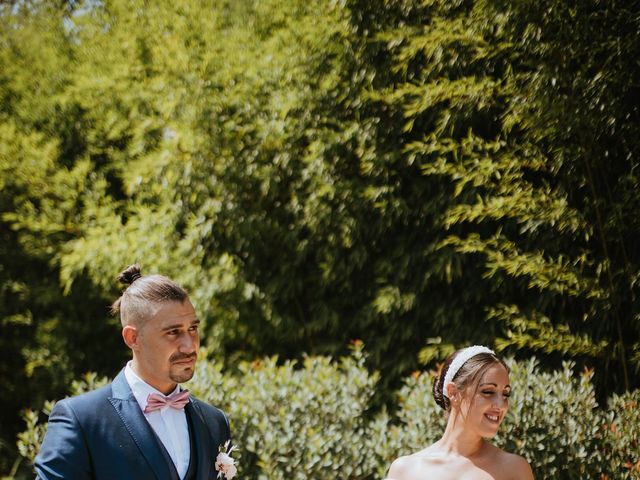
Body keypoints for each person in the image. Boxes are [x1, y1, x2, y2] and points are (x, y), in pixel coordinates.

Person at [35, 265, 231, 480]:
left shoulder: (215, 422)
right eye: (173, 332)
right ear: (133, 338)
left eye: (192, 329)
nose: (189, 346)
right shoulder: (81, 420)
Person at [386, 345, 534, 480]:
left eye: (505, 394)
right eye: (488, 391)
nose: (501, 405)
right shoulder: (405, 471)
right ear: (454, 393)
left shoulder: (514, 469)